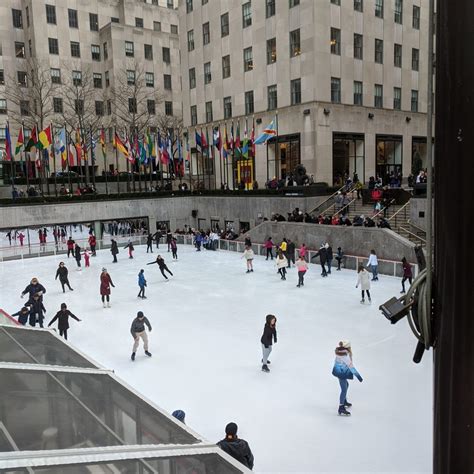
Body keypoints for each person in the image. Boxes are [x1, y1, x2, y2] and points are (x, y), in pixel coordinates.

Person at [332, 341, 363, 416]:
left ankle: (344, 400)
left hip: (339, 372)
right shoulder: (345, 356)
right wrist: (359, 377)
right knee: (344, 389)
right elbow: (351, 367)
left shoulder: (340, 352)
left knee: (347, 385)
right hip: (341, 373)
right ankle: (341, 407)